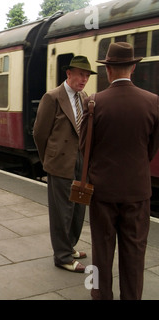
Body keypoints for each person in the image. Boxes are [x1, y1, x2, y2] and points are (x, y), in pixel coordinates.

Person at [80, 42, 159, 300]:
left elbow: (84, 148)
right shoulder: (153, 102)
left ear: (108, 69)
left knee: (101, 252)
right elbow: (152, 148)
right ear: (133, 67)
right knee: (135, 253)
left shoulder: (94, 103)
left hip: (102, 192)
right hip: (137, 192)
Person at [33, 56, 96, 273]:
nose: (84, 79)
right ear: (68, 73)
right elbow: (39, 133)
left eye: (87, 75)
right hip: (60, 161)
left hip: (80, 160)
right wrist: (49, 159)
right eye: (80, 74)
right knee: (62, 211)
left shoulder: (84, 97)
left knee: (79, 206)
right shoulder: (52, 97)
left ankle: (69, 246)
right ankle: (62, 256)